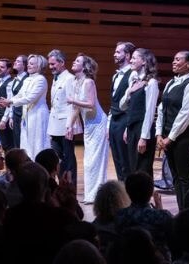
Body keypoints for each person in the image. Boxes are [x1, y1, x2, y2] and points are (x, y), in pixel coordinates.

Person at [155, 50, 189, 211]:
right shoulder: (170, 83)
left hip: (183, 137)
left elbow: (186, 114)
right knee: (175, 176)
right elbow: (162, 108)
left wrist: (171, 137)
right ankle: (182, 210)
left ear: (188, 64)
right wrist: (159, 134)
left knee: (185, 177)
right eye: (173, 59)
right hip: (168, 135)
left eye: (178, 59)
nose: (174, 62)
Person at [70, 53, 108, 203]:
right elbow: (76, 108)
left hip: (98, 123)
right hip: (89, 125)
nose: (73, 62)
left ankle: (96, 195)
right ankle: (91, 195)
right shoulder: (76, 82)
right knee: (88, 161)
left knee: (95, 161)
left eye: (77, 61)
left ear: (84, 67)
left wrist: (73, 100)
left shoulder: (88, 82)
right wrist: (70, 125)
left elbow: (91, 104)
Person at [0, 54, 49, 159]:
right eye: (29, 63)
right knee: (26, 143)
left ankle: (38, 166)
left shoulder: (40, 79)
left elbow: (30, 98)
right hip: (28, 115)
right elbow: (20, 95)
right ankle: (28, 165)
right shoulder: (27, 80)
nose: (29, 65)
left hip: (38, 115)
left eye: (32, 64)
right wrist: (9, 100)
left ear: (39, 66)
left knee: (37, 143)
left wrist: (10, 102)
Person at [121, 48, 160, 176]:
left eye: (134, 58)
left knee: (142, 169)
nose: (130, 60)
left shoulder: (151, 83)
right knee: (134, 168)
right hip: (132, 128)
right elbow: (123, 106)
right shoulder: (134, 81)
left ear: (144, 61)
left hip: (143, 130)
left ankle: (144, 195)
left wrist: (143, 137)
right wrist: (129, 92)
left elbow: (149, 112)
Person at [46, 50, 78, 185]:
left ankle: (70, 188)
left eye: (53, 64)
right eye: (49, 64)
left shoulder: (69, 78)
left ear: (62, 63)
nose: (50, 67)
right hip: (54, 125)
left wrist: (70, 126)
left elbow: (73, 104)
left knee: (68, 158)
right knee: (57, 158)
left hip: (65, 125)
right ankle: (61, 186)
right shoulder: (56, 77)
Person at [107, 41, 136, 182]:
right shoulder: (115, 76)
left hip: (124, 120)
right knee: (117, 161)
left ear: (128, 55)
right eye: (115, 51)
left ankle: (130, 196)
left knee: (126, 162)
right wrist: (108, 125)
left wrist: (127, 127)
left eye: (118, 52)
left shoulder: (132, 75)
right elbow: (113, 103)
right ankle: (121, 196)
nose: (115, 54)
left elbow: (132, 104)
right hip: (114, 121)